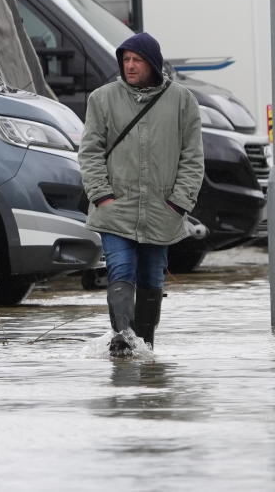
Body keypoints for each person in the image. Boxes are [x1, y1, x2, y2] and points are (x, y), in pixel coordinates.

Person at [78, 31, 204, 355]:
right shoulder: (102, 99)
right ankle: (123, 338)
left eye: (137, 60)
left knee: (151, 278)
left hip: (162, 209)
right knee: (120, 270)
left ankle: (144, 346)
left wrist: (178, 203)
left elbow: (192, 157)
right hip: (115, 208)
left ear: (153, 64)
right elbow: (89, 153)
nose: (130, 66)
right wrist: (102, 196)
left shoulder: (182, 100)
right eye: (126, 60)